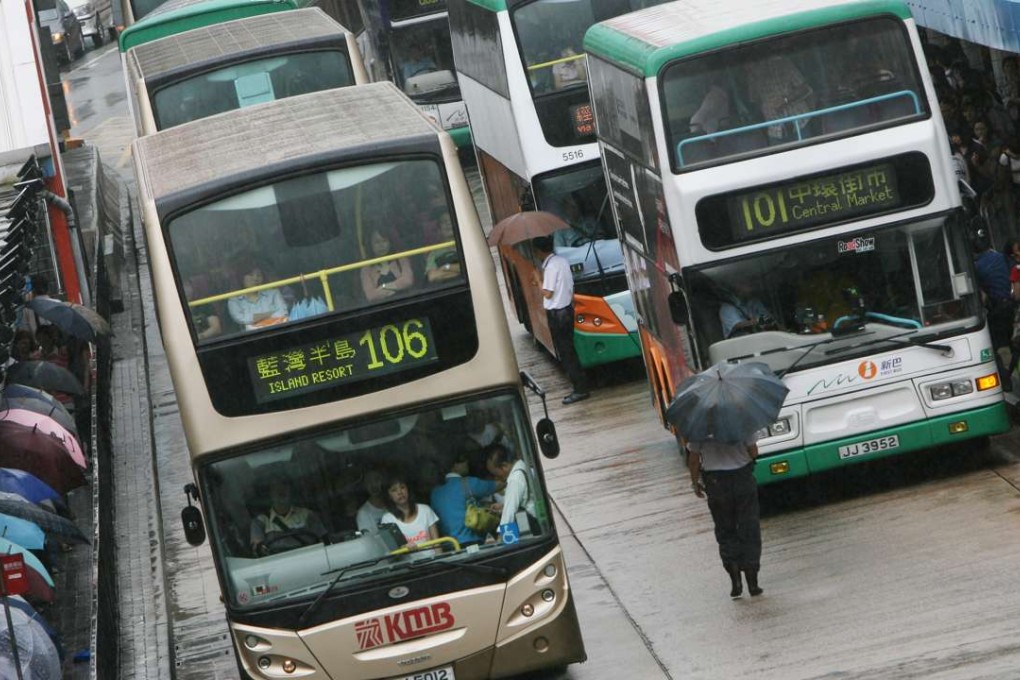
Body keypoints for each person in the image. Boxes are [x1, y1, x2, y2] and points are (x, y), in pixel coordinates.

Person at [685, 435, 763, 598]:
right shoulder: (742, 419)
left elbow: (694, 459)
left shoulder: (699, 427)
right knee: (749, 528)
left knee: (725, 529)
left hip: (716, 482)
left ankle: (735, 580)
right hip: (742, 479)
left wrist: (695, 482)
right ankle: (753, 582)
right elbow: (754, 451)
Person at [531, 236, 589, 404]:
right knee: (570, 349)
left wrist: (538, 279)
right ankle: (580, 385)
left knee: (566, 353)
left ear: (539, 251)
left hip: (557, 314)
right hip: (568, 310)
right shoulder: (562, 261)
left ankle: (579, 389)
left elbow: (548, 293)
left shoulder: (550, 267)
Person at [430, 450, 502, 547]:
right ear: (454, 465)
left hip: (449, 547)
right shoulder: (468, 483)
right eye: (463, 460)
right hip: (472, 543)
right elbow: (498, 485)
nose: (467, 462)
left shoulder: (434, 493)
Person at [973, 232, 1015, 387]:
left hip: (998, 310)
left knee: (993, 347)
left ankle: (1006, 381)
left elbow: (982, 297)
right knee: (1012, 344)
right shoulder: (1001, 258)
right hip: (1012, 306)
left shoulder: (977, 267)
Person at [745, 55, 814, 142]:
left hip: (800, 123)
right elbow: (755, 101)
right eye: (747, 69)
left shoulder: (783, 65)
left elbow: (805, 89)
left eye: (751, 67)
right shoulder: (752, 78)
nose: (749, 71)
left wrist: (785, 100)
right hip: (775, 131)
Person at [250, 479, 327, 556]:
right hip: (277, 562)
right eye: (275, 487)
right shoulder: (259, 522)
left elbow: (324, 541)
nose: (281, 489)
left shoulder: (307, 515)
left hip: (311, 557)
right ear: (269, 493)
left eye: (284, 485)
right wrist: (260, 548)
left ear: (291, 490)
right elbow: (258, 550)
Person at [379, 472, 440, 552]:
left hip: (433, 562)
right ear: (389, 496)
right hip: (407, 564)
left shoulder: (425, 510)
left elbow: (437, 544)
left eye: (402, 487)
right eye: (394, 490)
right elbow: (392, 552)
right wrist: (404, 549)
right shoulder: (387, 519)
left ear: (408, 489)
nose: (400, 492)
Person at [485, 445, 537, 539]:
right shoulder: (523, 466)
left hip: (530, 526)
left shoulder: (515, 479)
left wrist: (500, 540)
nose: (497, 478)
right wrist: (503, 506)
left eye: (496, 474)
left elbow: (508, 516)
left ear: (504, 466)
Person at [227, 258, 288, 331]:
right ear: (241, 277)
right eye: (250, 275)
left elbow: (283, 313)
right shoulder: (234, 300)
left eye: (259, 275)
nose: (255, 278)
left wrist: (255, 321)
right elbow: (242, 319)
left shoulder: (274, 293)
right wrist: (270, 314)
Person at [361, 229, 414, 300]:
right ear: (371, 245)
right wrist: (397, 286)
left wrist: (384, 287)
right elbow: (371, 295)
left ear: (390, 242)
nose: (381, 245)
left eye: (384, 241)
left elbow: (408, 281)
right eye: (377, 242)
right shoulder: (366, 269)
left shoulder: (401, 258)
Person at [424, 214, 462, 283]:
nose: (448, 224)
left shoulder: (467, 245)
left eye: (450, 221)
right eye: (444, 222)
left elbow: (473, 267)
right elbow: (432, 276)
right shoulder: (434, 253)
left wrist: (447, 267)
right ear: (440, 229)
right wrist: (460, 272)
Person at [355, 468, 388, 534]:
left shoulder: (393, 504)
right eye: (369, 481)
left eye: (376, 480)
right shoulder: (364, 513)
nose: (373, 485)